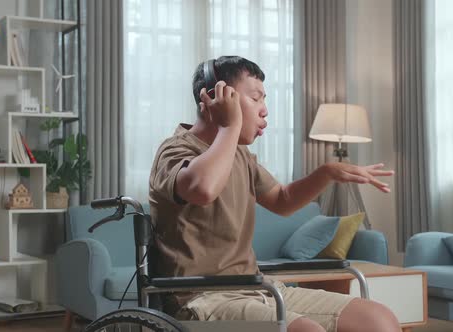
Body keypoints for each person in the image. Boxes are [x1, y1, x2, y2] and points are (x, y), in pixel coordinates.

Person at [148, 56, 400, 332]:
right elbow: (203, 189)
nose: (265, 110)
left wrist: (326, 172)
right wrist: (229, 126)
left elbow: (282, 200)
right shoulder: (174, 151)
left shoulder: (241, 155)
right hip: (201, 297)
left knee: (379, 320)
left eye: (264, 99)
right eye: (255, 98)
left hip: (257, 287)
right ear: (214, 97)